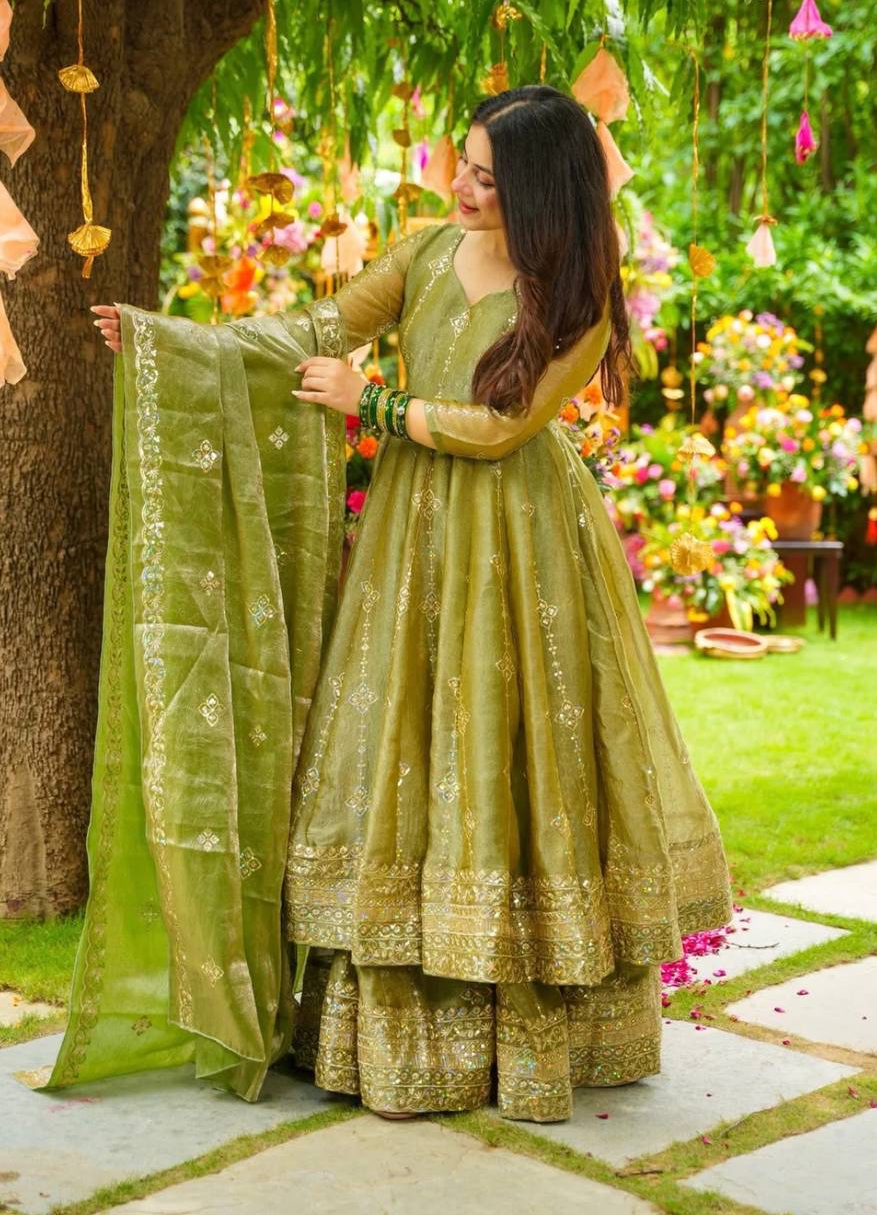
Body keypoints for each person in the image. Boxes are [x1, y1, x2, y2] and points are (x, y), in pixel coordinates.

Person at [91, 84, 733, 1123]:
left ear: (541, 189)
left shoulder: (578, 295)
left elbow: (498, 428)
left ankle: (529, 1022)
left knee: (513, 742)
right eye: (463, 165)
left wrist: (373, 402)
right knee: (397, 734)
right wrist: (172, 342)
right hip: (411, 534)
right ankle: (389, 1021)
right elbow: (314, 326)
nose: (462, 188)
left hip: (523, 538)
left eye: (487, 177)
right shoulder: (427, 252)